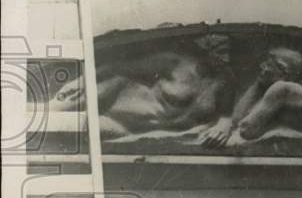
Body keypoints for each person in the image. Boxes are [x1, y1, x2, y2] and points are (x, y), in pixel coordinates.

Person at [52, 33, 237, 146]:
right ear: (205, 48)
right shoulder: (176, 63)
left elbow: (226, 116)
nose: (225, 58)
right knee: (50, 113)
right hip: (115, 104)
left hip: (128, 130)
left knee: (65, 128)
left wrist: (224, 125)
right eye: (219, 51)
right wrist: (81, 81)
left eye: (228, 52)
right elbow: (120, 67)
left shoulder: (226, 80)